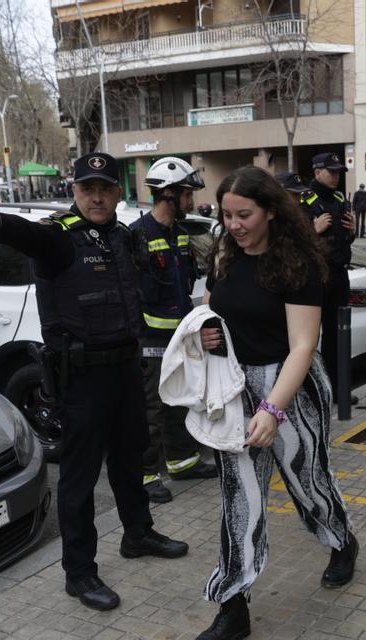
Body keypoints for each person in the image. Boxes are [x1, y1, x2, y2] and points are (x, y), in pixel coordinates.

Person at [0, 152, 188, 612]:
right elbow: (27, 234)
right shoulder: (59, 239)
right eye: (86, 189)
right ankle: (79, 573)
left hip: (123, 369)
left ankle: (137, 534)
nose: (96, 196)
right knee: (79, 478)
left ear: (118, 193)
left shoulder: (120, 235)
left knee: (130, 457)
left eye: (105, 188)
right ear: (74, 193)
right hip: (81, 379)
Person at [191, 165, 355, 640]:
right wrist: (204, 333)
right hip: (233, 387)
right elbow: (208, 309)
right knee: (239, 499)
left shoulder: (297, 263)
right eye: (227, 215)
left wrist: (272, 409)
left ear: (269, 211)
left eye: (244, 215)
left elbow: (304, 347)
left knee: (309, 482)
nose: (235, 225)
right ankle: (232, 604)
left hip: (290, 389)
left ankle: (341, 539)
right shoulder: (223, 256)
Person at [131, 156, 218, 504]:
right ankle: (147, 475)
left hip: (179, 336)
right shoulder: (138, 235)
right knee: (151, 408)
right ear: (167, 194)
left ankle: (182, 461)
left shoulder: (180, 235)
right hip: (150, 340)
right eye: (186, 195)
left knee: (180, 399)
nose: (191, 201)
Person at [299, 153, 357, 402]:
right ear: (317, 172)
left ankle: (338, 390)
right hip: (316, 276)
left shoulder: (339, 199)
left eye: (338, 172)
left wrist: (352, 232)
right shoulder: (302, 200)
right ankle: (311, 391)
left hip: (339, 274)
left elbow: (344, 240)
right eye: (331, 171)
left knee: (338, 335)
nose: (336, 176)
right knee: (309, 338)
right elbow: (293, 242)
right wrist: (314, 230)